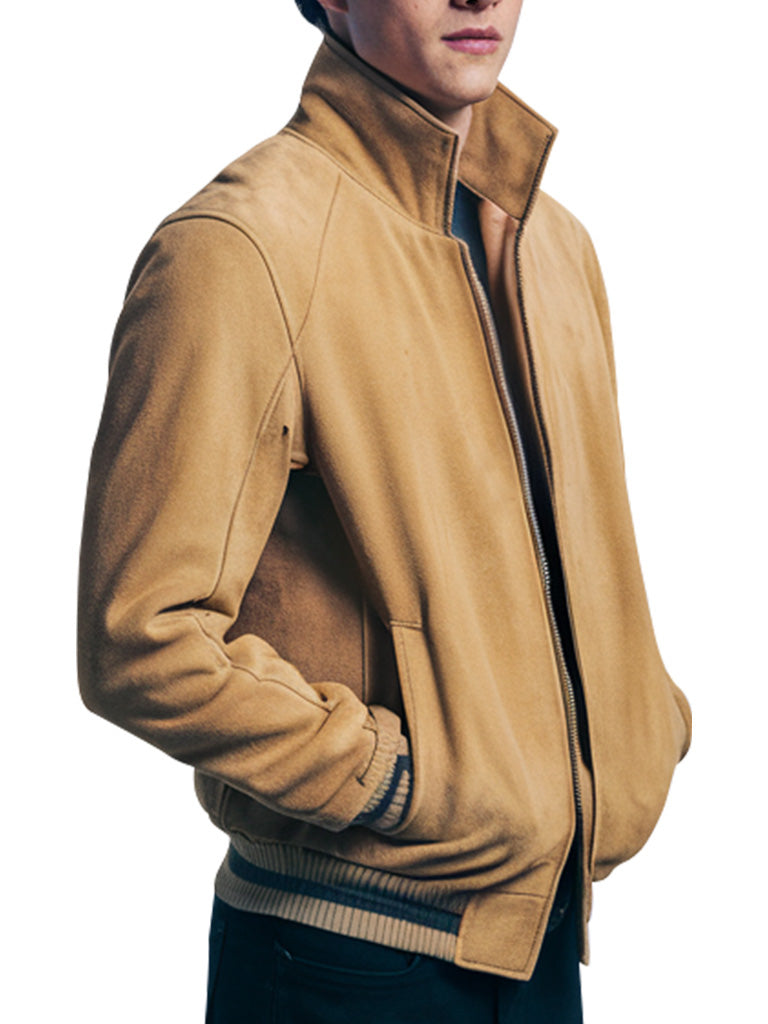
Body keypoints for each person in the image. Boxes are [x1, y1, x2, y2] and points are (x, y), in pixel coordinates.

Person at [78, 1, 692, 1020]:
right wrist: (394, 782)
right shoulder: (241, 246)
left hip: (540, 938)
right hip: (344, 958)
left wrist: (636, 725)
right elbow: (139, 637)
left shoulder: (553, 245)